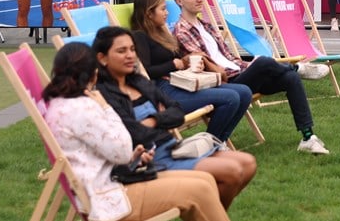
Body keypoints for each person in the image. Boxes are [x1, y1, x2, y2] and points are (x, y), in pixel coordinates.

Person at [42, 41, 288, 221]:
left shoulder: (66, 104)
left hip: (118, 179)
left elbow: (110, 152)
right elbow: (122, 146)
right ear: (91, 72)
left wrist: (134, 153)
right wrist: (104, 107)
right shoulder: (82, 107)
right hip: (110, 199)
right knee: (199, 190)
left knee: (203, 182)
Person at [93, 26, 258, 209]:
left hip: (173, 147)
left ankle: (205, 216)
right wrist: (161, 116)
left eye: (132, 49)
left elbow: (178, 113)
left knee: (248, 163)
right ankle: (205, 219)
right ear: (102, 58)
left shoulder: (139, 82)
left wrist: (154, 120)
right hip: (148, 159)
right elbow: (134, 133)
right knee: (232, 172)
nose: (130, 55)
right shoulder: (103, 95)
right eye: (121, 51)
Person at [171, 0, 330, 155]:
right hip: (225, 84)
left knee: (289, 78)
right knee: (263, 62)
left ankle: (308, 138)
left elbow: (228, 57)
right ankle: (298, 67)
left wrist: (247, 66)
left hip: (239, 73)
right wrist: (252, 66)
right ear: (179, 1)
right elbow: (208, 64)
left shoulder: (206, 25)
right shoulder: (181, 31)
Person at [129, 0, 254, 145]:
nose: (167, 13)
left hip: (181, 82)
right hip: (165, 91)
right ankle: (210, 145)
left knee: (244, 92)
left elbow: (176, 62)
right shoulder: (139, 36)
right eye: (162, 9)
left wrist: (187, 61)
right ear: (149, 13)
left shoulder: (161, 34)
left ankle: (219, 142)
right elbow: (144, 72)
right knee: (231, 98)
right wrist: (173, 64)